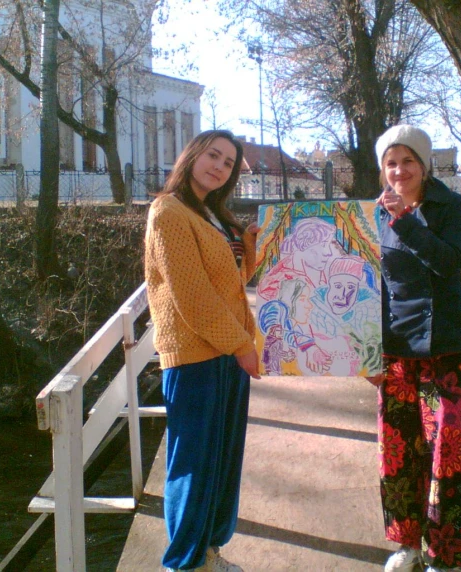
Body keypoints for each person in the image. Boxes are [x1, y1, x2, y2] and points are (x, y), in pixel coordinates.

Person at [144, 130, 260, 572]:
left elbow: (231, 283)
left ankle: (208, 551)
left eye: (229, 162)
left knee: (222, 459)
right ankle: (184, 562)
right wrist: (242, 346)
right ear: (192, 155)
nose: (219, 166)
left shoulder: (212, 214)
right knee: (192, 463)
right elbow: (192, 295)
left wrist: (247, 246)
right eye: (213, 155)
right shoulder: (168, 212)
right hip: (195, 356)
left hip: (226, 354)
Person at [370, 125, 461, 572]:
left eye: (408, 161)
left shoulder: (451, 206)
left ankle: (447, 555)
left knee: (450, 452)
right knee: (399, 451)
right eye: (391, 163)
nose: (399, 171)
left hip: (446, 348)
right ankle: (408, 544)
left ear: (425, 164)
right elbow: (370, 283)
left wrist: (406, 222)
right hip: (397, 351)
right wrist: (368, 351)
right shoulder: (372, 214)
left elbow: (449, 264)